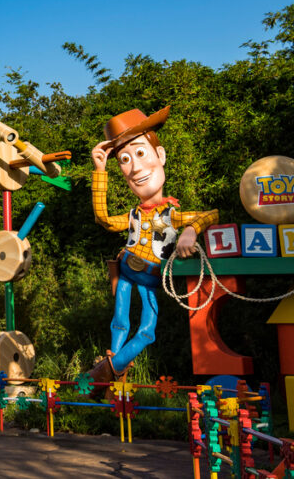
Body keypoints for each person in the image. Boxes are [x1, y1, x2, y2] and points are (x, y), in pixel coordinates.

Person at [86, 106, 218, 382]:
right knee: (120, 322)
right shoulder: (133, 214)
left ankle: (108, 370)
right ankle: (116, 374)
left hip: (150, 278)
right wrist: (100, 171)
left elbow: (212, 214)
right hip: (125, 272)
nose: (134, 167)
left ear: (160, 155)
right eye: (123, 159)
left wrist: (190, 231)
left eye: (140, 152)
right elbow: (105, 220)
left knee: (147, 330)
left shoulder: (172, 214)